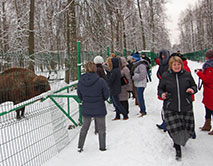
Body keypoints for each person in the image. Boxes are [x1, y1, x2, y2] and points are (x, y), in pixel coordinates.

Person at [158, 56, 197, 160]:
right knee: (175, 128)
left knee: (187, 128)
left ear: (181, 65)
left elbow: (194, 86)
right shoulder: (165, 76)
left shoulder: (187, 75)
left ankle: (181, 140)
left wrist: (192, 90)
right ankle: (177, 147)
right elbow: (160, 89)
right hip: (171, 107)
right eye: (174, 64)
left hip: (186, 106)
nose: (177, 66)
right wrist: (162, 94)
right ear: (171, 65)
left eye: (178, 64)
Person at [77, 62, 110, 152]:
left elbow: (79, 95)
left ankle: (80, 146)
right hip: (99, 107)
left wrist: (86, 99)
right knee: (101, 128)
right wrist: (101, 99)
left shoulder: (81, 81)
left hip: (86, 107)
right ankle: (102, 147)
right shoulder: (101, 81)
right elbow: (106, 95)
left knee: (84, 128)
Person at [195, 49, 213, 135]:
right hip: (209, 90)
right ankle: (207, 124)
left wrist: (199, 73)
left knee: (210, 107)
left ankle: (208, 125)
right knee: (208, 107)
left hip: (210, 90)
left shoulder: (210, 66)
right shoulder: (208, 66)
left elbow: (207, 79)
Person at [156, 49, 170, 131]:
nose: (162, 57)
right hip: (163, 86)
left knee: (167, 107)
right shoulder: (162, 64)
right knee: (165, 107)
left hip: (168, 87)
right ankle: (165, 123)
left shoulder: (168, 64)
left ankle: (166, 124)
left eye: (164, 55)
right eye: (161, 55)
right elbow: (159, 73)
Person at [132, 52, 149, 117]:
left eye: (133, 59)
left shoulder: (141, 65)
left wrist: (134, 76)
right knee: (139, 97)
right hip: (138, 83)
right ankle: (141, 110)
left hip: (141, 84)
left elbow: (143, 75)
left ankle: (143, 111)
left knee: (140, 97)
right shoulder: (137, 64)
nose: (132, 60)